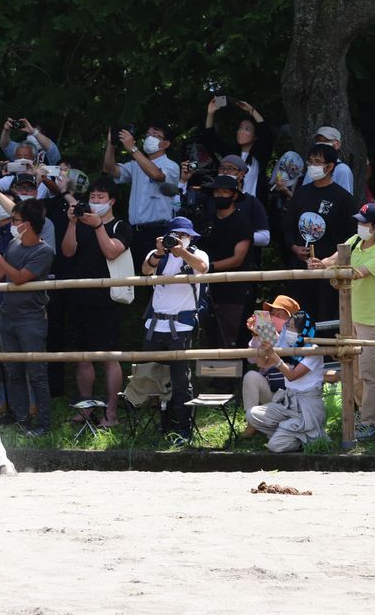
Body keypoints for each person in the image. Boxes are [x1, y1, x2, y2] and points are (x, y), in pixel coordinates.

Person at [0, 198, 56, 436]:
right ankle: (22, 420)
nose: (11, 224)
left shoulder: (44, 251)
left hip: (32, 319)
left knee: (37, 374)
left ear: (27, 224)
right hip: (7, 316)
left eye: (15, 220)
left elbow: (20, 277)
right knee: (14, 372)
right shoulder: (12, 245)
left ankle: (43, 424)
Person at [310, 202, 375, 439]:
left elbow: (356, 273)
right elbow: (336, 257)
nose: (360, 226)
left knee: (368, 372)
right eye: (359, 221)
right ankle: (361, 413)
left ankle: (371, 421)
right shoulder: (355, 241)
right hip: (350, 316)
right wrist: (321, 264)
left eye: (365, 223)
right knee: (353, 369)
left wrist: (332, 272)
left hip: (370, 318)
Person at [61, 177, 132, 428]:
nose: (95, 201)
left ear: (111, 200)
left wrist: (99, 225)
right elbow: (68, 251)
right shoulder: (80, 223)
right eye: (92, 197)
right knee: (83, 357)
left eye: (100, 197)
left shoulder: (122, 226)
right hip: (79, 297)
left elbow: (112, 251)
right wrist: (72, 223)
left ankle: (111, 413)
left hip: (107, 300)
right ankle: (86, 408)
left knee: (109, 358)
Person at [139, 216, 209, 442]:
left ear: (191, 237)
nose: (178, 240)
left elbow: (203, 268)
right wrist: (160, 251)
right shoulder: (158, 255)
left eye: (183, 236)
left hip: (181, 325)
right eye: (175, 235)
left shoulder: (197, 254)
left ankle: (182, 429)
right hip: (154, 325)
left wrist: (182, 252)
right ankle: (160, 424)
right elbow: (145, 270)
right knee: (152, 376)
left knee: (180, 379)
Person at [243, 302, 328, 453]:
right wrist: (262, 338)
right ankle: (289, 432)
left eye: (292, 327)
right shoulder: (286, 347)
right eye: (288, 327)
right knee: (252, 414)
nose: (288, 330)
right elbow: (262, 363)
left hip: (307, 407)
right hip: (287, 405)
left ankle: (302, 436)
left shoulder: (314, 350)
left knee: (275, 446)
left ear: (304, 330)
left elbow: (292, 375)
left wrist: (274, 356)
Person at [286, 143, 355, 322]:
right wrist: (294, 247)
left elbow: (352, 237)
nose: (312, 166)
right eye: (310, 161)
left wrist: (331, 260)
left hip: (329, 270)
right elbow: (287, 225)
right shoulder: (300, 194)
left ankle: (327, 350)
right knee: (299, 315)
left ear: (330, 166)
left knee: (326, 317)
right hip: (300, 268)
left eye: (317, 161)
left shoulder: (344, 198)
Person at [103, 122, 179, 266]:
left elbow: (158, 175)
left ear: (166, 144)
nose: (150, 138)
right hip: (134, 232)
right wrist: (112, 144)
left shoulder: (171, 165)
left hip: (158, 232)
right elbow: (110, 169)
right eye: (148, 135)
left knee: (156, 277)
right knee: (135, 279)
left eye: (155, 135)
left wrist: (132, 148)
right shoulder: (136, 164)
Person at [191, 175, 253, 347]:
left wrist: (207, 267)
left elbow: (237, 259)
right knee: (208, 338)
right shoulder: (207, 220)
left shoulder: (243, 222)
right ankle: (210, 374)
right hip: (206, 289)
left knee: (229, 338)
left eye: (224, 192)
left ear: (234, 195)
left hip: (232, 291)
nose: (219, 196)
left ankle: (233, 374)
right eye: (216, 192)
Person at [201, 97, 273, 201]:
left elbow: (267, 133)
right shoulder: (231, 154)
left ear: (255, 136)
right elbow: (210, 138)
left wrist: (251, 110)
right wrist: (210, 113)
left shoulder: (259, 156)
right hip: (230, 206)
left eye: (247, 129)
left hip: (251, 208)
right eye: (240, 128)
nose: (241, 131)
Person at [303, 127, 354, 195]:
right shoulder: (312, 167)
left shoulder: (342, 170)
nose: (321, 144)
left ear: (338, 144)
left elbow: (345, 200)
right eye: (319, 141)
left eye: (326, 141)